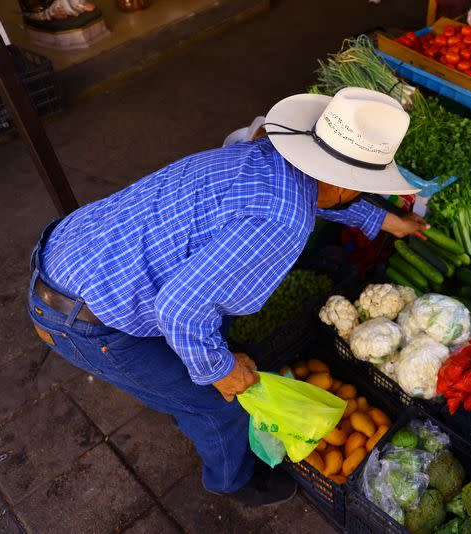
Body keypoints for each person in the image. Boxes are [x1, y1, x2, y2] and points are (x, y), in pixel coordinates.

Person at [27, 88, 426, 506]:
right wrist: (220, 370)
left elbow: (317, 193)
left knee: (197, 366)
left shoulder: (262, 156)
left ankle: (184, 398)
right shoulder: (281, 222)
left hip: (73, 249)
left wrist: (382, 220)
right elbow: (180, 309)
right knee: (217, 406)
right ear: (347, 185)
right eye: (362, 188)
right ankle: (232, 481)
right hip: (81, 319)